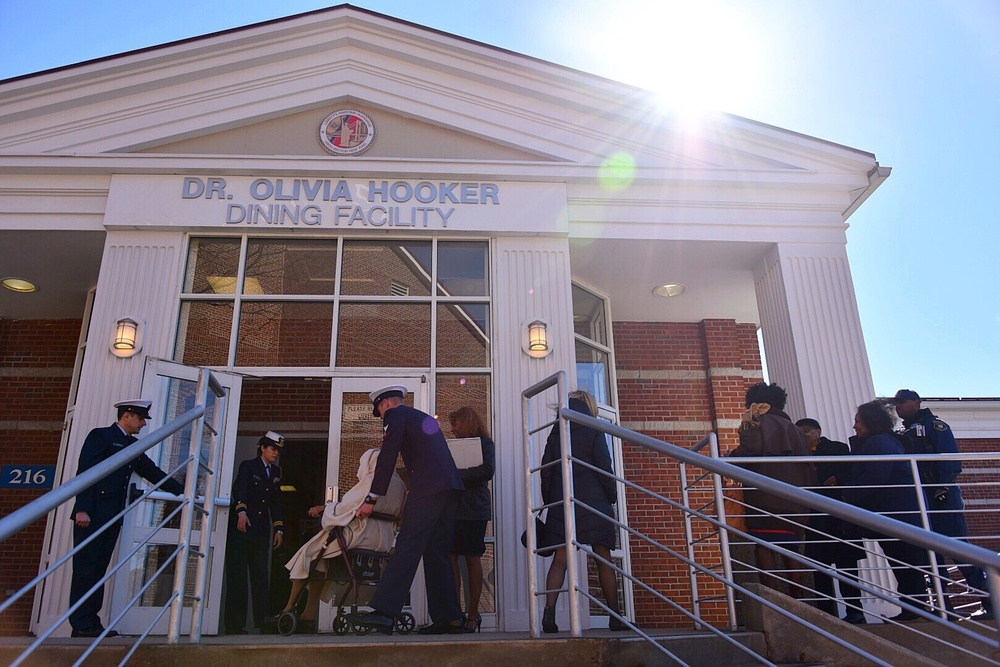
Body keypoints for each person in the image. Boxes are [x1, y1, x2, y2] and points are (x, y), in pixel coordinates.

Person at [347, 385, 465, 635]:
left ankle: (385, 613)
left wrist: (372, 497)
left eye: (379, 410)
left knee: (406, 547)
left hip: (428, 489)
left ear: (385, 404)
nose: (381, 416)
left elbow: (387, 457)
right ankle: (450, 617)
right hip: (449, 488)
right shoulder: (419, 416)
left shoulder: (395, 416)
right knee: (437, 552)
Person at [69, 398, 184, 638]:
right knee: (85, 568)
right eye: (141, 419)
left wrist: (183, 490)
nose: (143, 424)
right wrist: (83, 508)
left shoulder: (132, 445)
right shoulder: (101, 437)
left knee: (98, 569)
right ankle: (81, 623)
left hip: (112, 516)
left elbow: (152, 472)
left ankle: (91, 622)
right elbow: (86, 472)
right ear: (127, 415)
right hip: (91, 515)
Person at [277, 448, 406, 633]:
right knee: (320, 562)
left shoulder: (373, 480)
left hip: (358, 537)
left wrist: (325, 509)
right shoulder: (399, 484)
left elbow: (345, 508)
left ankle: (288, 608)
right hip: (382, 541)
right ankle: (308, 613)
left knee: (307, 553)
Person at [893, 389, 992, 619]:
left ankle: (990, 602)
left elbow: (950, 459)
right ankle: (944, 608)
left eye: (903, 402)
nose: (899, 407)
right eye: (896, 403)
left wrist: (943, 487)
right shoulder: (902, 432)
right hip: (920, 498)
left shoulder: (935, 426)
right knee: (930, 556)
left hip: (942, 496)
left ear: (917, 402)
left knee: (958, 549)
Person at [540, 390, 624, 633]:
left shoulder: (557, 431)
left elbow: (547, 471)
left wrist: (550, 503)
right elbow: (604, 466)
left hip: (562, 502)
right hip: (594, 503)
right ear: (589, 407)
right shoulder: (593, 428)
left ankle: (549, 615)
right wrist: (612, 496)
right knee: (603, 558)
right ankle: (615, 617)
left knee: (560, 560)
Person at [843, 400, 929, 622]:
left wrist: (845, 497)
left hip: (897, 516)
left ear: (871, 421)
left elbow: (876, 477)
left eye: (858, 421)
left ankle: (915, 612)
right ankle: (914, 610)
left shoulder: (879, 442)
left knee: (906, 564)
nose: (854, 426)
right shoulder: (884, 441)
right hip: (900, 515)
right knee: (906, 565)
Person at [728, 382, 815, 599]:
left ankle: (770, 599)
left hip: (764, 498)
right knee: (792, 548)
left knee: (763, 546)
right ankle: (799, 599)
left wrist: (730, 457)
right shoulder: (795, 429)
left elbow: (750, 451)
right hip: (796, 501)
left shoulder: (755, 422)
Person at [795, 418, 865, 623]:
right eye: (800, 433)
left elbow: (852, 473)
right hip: (816, 518)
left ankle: (855, 611)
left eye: (806, 431)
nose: (804, 436)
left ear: (818, 431)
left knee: (848, 567)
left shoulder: (838, 448)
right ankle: (827, 614)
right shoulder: (798, 454)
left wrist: (839, 479)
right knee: (819, 568)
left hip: (840, 516)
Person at [224, 431, 286, 634]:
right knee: (238, 578)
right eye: (273, 449)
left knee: (261, 577)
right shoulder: (248, 466)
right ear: (263, 447)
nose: (275, 453)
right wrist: (241, 511)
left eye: (278, 450)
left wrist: (278, 527)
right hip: (242, 529)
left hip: (261, 531)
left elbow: (276, 502)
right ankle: (235, 625)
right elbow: (239, 489)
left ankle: (263, 622)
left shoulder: (276, 472)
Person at [447, 406, 496, 633]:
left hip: (475, 508)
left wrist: (457, 474)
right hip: (453, 508)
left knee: (473, 558)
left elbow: (487, 470)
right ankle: (455, 612)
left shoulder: (486, 444)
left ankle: (474, 614)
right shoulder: (451, 445)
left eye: (455, 425)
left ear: (466, 423)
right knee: (451, 557)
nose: (453, 430)